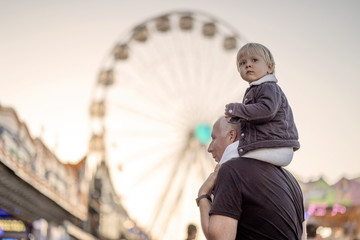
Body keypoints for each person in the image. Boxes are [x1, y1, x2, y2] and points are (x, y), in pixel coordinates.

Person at [197, 116, 305, 239]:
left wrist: (203, 194)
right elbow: (302, 236)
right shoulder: (291, 181)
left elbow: (219, 238)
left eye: (213, 138)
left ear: (231, 136)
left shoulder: (231, 170)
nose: (209, 148)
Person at [224, 42, 300, 167]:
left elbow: (266, 110)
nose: (248, 64)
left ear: (270, 68)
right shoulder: (258, 89)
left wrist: (237, 109)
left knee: (230, 153)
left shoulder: (268, 87)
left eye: (254, 60)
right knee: (235, 154)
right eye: (242, 63)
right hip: (273, 144)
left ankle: (214, 183)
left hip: (274, 145)